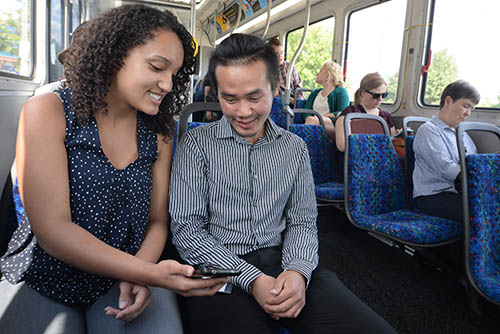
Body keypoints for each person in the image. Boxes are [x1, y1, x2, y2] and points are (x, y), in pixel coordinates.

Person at [0, 5, 227, 333]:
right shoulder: (48, 111)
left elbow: (157, 221)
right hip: (48, 272)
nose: (166, 84)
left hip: (127, 269)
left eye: (174, 75)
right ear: (113, 55)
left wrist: (139, 273)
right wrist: (150, 274)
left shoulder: (159, 132)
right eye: (157, 67)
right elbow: (53, 231)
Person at [169, 33, 396, 334]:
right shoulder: (196, 145)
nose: (243, 112)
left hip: (282, 260)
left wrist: (298, 271)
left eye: (254, 97)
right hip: (218, 270)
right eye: (229, 99)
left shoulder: (294, 148)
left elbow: (302, 220)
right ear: (216, 93)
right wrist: (252, 279)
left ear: (275, 88)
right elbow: (188, 230)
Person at [413, 80, 480, 222]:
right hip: (433, 195)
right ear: (448, 101)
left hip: (458, 191)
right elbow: (447, 170)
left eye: (471, 109)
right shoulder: (428, 130)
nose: (468, 113)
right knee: (481, 210)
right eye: (465, 106)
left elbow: (474, 160)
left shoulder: (462, 133)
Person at [335, 72, 399, 152]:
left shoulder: (386, 116)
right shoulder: (349, 113)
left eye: (384, 95)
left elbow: (393, 144)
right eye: (376, 95)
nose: (380, 99)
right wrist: (381, 142)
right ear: (363, 93)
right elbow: (342, 145)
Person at [303, 60, 350, 141]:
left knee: (311, 121)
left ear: (328, 76)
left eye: (321, 71)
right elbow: (306, 111)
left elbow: (342, 112)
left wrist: (320, 117)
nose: (317, 73)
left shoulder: (341, 91)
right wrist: (312, 118)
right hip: (314, 121)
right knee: (310, 120)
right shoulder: (315, 93)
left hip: (334, 125)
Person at [268, 37, 303, 107]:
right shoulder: (267, 69)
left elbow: (298, 87)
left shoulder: (290, 67)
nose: (280, 56)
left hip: (293, 100)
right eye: (277, 54)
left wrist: (299, 102)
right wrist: (288, 100)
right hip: (277, 101)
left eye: (282, 53)